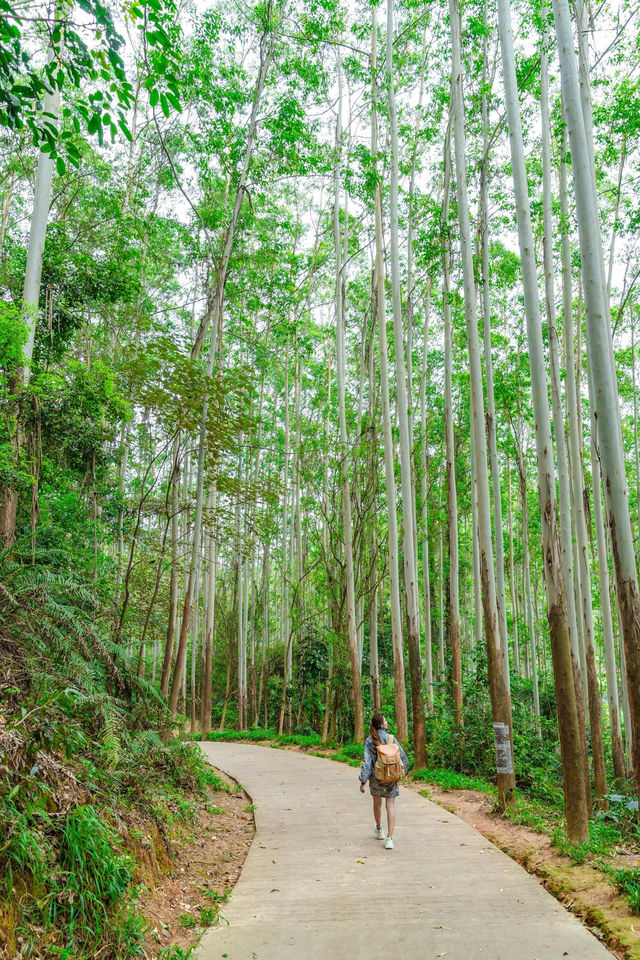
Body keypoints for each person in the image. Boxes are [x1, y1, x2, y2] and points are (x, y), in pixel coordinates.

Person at [358, 711, 409, 850]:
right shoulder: (391, 739)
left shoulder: (370, 741)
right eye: (385, 721)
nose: (387, 722)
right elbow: (403, 757)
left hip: (376, 777)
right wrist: (403, 772)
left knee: (377, 803)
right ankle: (389, 839)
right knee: (390, 806)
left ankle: (379, 829)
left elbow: (367, 762)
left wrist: (363, 781)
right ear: (381, 724)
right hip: (391, 777)